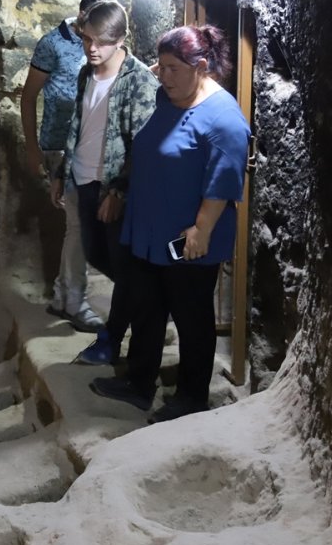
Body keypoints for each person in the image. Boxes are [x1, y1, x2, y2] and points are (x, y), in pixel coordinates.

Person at [89, 24, 250, 422]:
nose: (164, 76)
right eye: (161, 67)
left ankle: (192, 396)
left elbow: (224, 182)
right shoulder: (166, 97)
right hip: (148, 228)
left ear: (201, 66)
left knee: (192, 316)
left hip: (187, 237)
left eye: (173, 68)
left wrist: (202, 230)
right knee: (147, 307)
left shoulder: (223, 119)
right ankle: (139, 382)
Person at [52, 0, 159, 365]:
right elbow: (78, 128)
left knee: (123, 265)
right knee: (97, 254)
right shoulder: (87, 73)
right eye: (86, 40)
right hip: (83, 179)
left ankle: (111, 339)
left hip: (111, 186)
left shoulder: (139, 81)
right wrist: (61, 173)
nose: (92, 48)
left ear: (120, 39)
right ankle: (149, 300)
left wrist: (118, 191)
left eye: (100, 42)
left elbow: (144, 145)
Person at [21, 0, 111, 333]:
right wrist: (32, 147)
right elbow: (28, 97)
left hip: (92, 146)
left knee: (79, 223)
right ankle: (74, 302)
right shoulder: (52, 44)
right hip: (61, 146)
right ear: (82, 13)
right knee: (79, 224)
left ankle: (62, 296)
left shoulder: (103, 43)